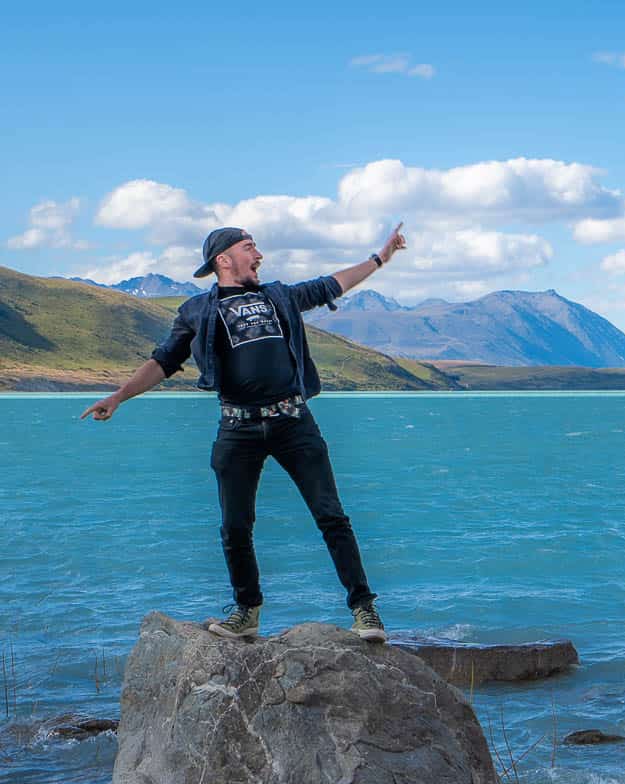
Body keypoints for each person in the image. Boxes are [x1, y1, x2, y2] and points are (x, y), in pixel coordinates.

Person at [81, 224, 408, 642]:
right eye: (250, 247)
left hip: (294, 421)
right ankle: (247, 610)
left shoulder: (280, 296)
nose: (259, 255)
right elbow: (163, 362)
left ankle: (365, 609)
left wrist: (381, 257)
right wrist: (119, 396)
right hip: (237, 428)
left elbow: (333, 284)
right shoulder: (197, 311)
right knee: (235, 526)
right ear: (224, 259)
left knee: (331, 515)